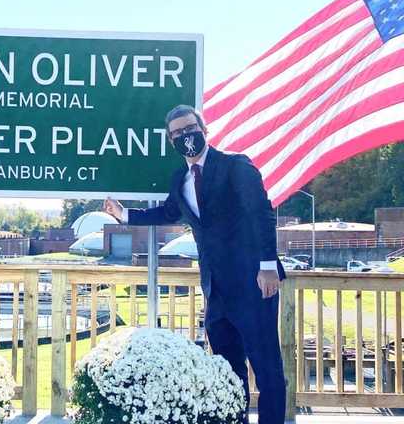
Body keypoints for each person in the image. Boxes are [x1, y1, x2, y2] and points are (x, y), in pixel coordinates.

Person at [103, 105, 286, 424]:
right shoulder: (181, 180)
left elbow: (261, 213)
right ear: (170, 139)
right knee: (228, 370)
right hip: (215, 290)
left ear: (205, 130)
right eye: (177, 133)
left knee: (266, 366)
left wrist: (267, 265)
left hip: (254, 283)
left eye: (190, 129)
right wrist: (125, 215)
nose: (185, 136)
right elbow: (167, 213)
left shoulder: (235, 166)